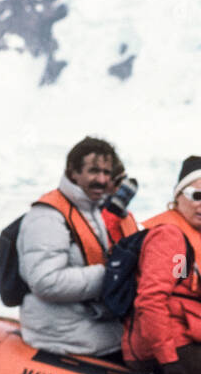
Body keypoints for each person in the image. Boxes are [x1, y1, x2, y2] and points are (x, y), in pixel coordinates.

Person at [121, 156, 201, 374]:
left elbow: (179, 283)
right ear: (178, 197)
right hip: (165, 348)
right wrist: (168, 361)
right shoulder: (169, 237)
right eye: (197, 195)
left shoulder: (189, 238)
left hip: (182, 338)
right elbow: (151, 300)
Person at [16, 136, 124, 358]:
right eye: (94, 171)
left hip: (86, 321)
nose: (102, 180)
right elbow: (45, 282)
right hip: (59, 332)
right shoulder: (47, 218)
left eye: (106, 173)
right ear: (73, 172)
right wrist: (110, 276)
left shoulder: (93, 212)